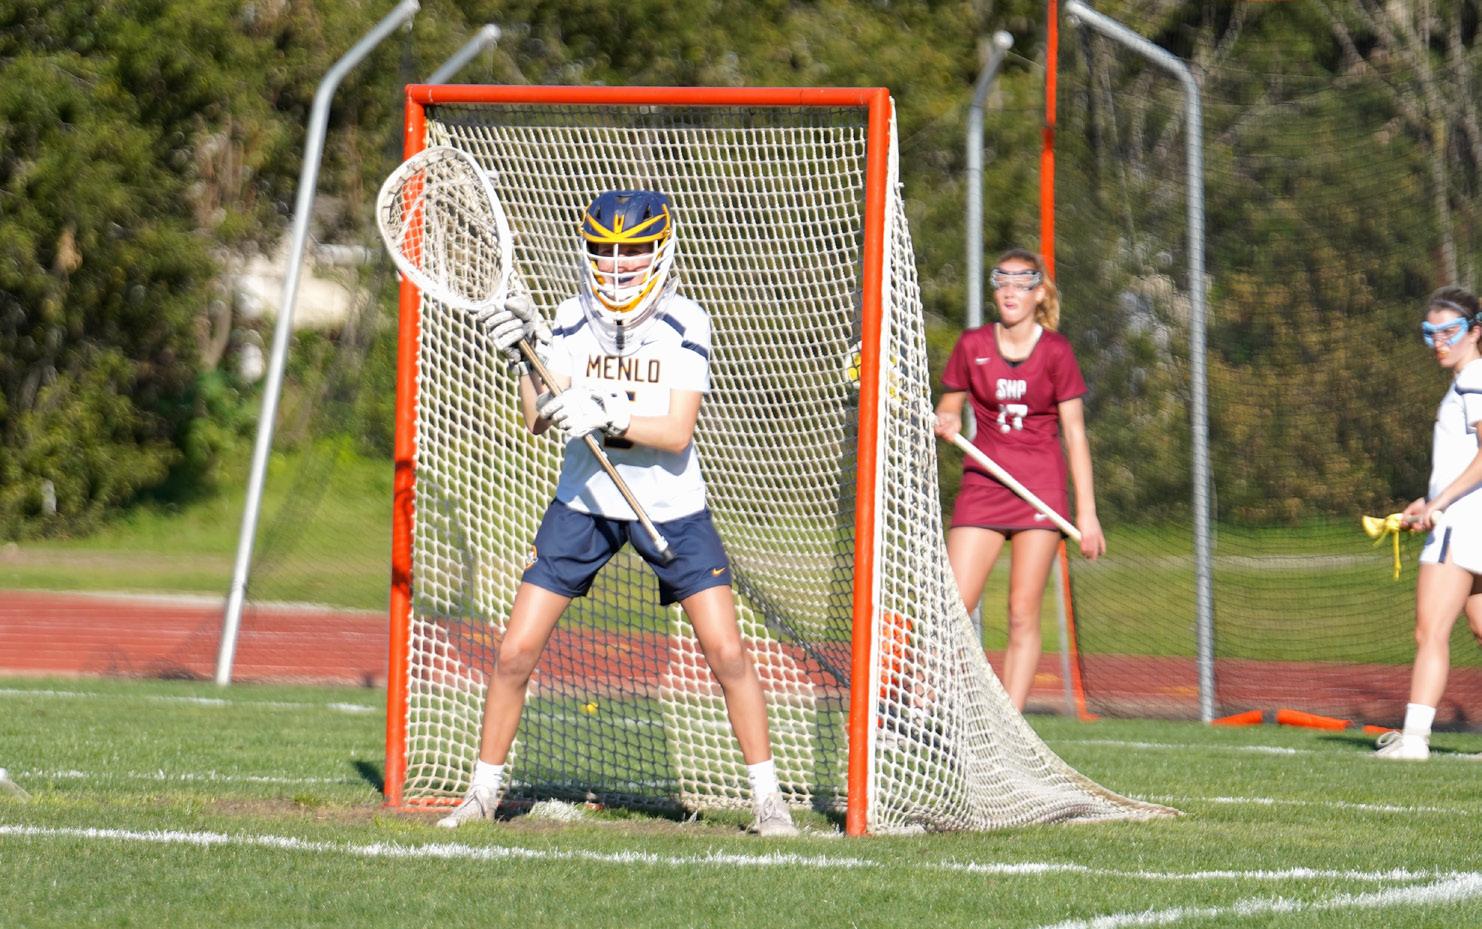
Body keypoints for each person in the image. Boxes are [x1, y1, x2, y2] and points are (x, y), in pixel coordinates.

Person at [437, 190, 798, 835]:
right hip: (584, 506)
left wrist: (610, 414)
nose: (617, 264)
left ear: (660, 250)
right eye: (605, 251)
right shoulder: (570, 317)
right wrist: (528, 358)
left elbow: (677, 433)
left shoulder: (686, 322)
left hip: (671, 509)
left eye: (632, 250)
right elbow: (535, 419)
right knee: (516, 651)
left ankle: (769, 799)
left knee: (727, 653)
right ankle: (481, 795)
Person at [932, 249, 1106, 712]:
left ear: (1039, 293)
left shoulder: (1056, 352)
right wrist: (947, 419)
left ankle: (1010, 724)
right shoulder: (972, 345)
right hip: (984, 485)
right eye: (1002, 282)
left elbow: (1075, 434)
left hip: (1039, 493)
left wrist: (1088, 515)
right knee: (950, 607)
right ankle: (930, 705)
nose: (1010, 291)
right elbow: (949, 406)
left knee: (1022, 612)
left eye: (1021, 283)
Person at [1374, 286, 1482, 760]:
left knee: (1430, 631)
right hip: (1469, 517)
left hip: (1460, 525)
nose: (1439, 342)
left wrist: (1441, 504)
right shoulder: (1468, 380)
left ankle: (1414, 740)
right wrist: (1428, 501)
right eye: (1430, 333)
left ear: (1475, 331)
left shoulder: (1473, 379)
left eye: (1449, 331)